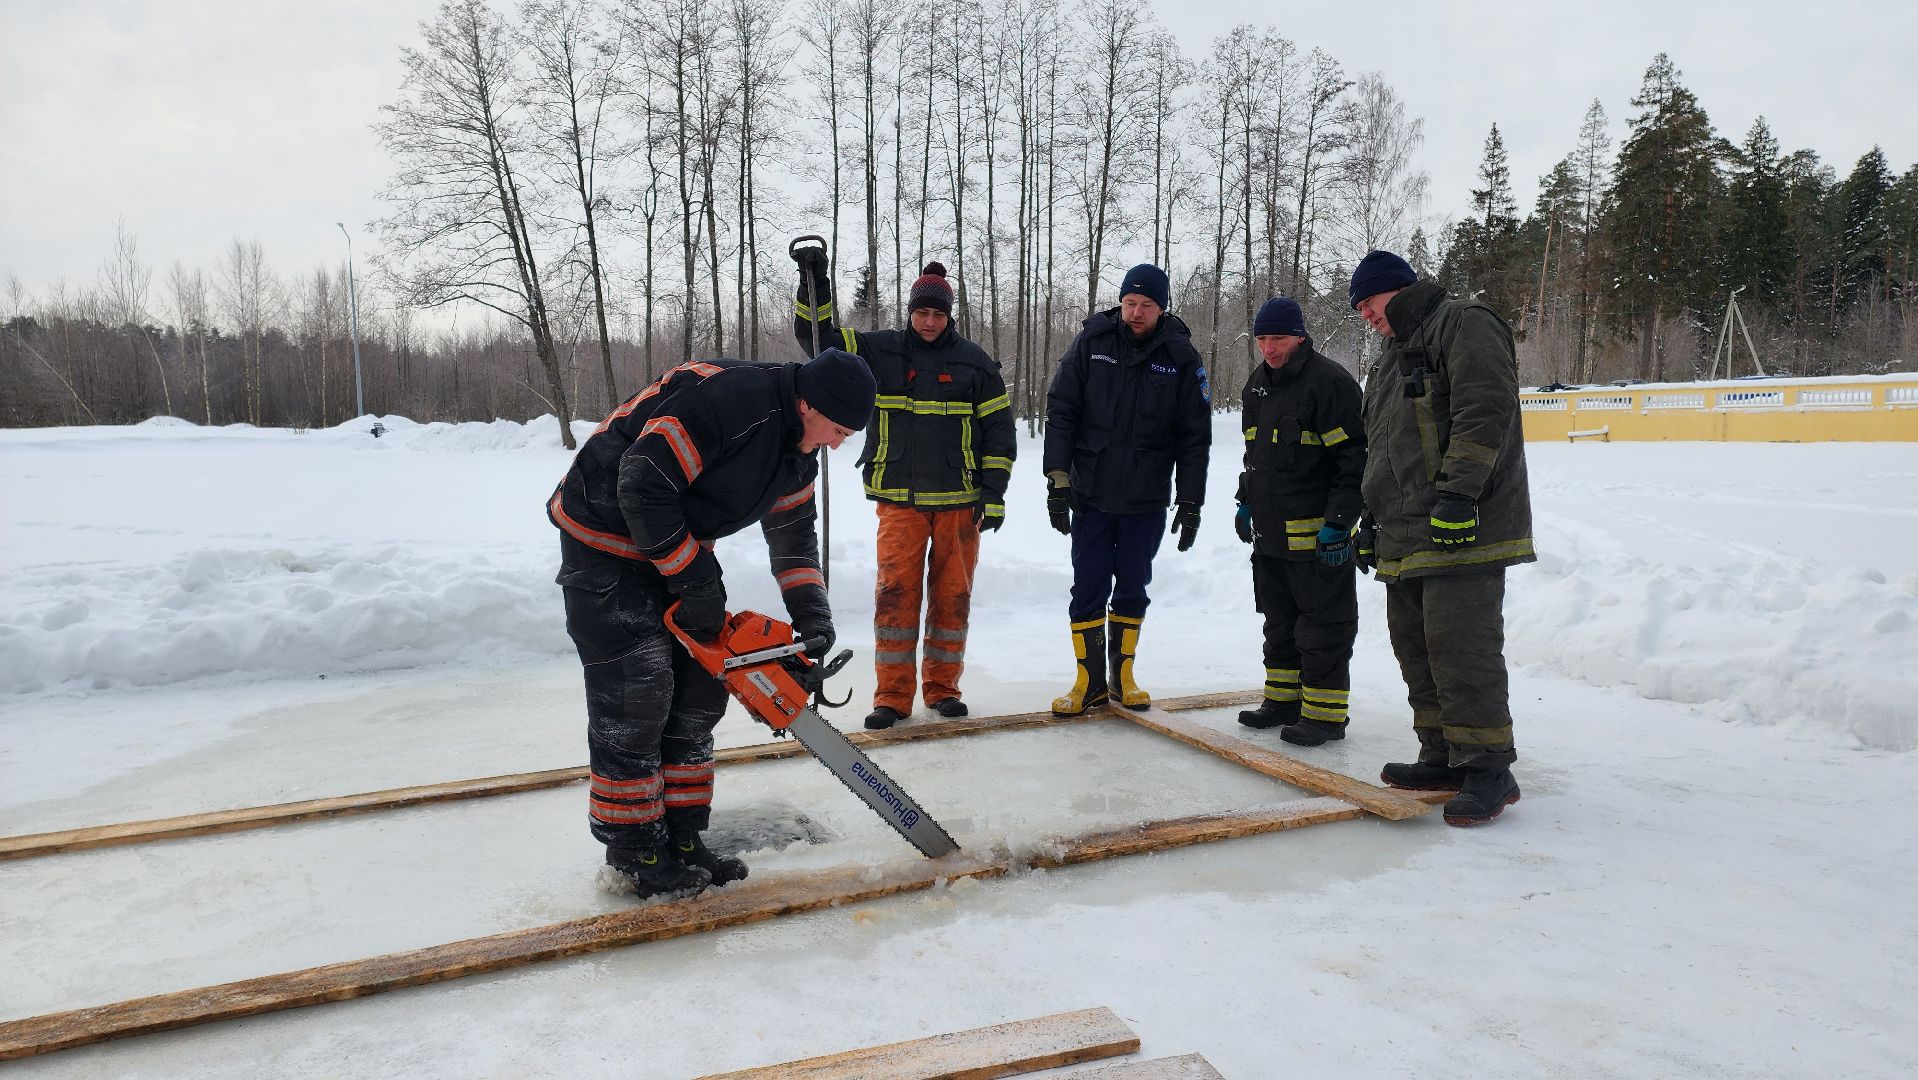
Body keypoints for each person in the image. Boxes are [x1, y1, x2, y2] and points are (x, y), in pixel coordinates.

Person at [547, 351, 876, 895]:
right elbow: (642, 482)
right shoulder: (732, 401)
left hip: (674, 545)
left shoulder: (796, 454)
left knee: (699, 693)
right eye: (838, 431)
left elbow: (794, 538)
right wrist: (695, 580)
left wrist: (811, 611)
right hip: (604, 537)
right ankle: (634, 848)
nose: (837, 445)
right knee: (638, 692)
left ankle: (681, 836)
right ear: (808, 404)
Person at [1348, 249, 1536, 826]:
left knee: (1461, 646)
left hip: (1462, 524)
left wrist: (1459, 495)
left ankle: (1488, 768)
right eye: (1358, 308)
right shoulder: (1390, 356)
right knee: (1416, 646)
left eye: (1369, 302)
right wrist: (1370, 520)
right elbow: (1383, 447)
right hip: (1405, 528)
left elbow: (1485, 409)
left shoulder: (1463, 322)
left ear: (1398, 289)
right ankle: (1442, 754)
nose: (1365, 315)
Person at [792, 248, 1016, 731]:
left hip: (960, 504)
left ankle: (943, 689)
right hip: (899, 501)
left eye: (938, 313)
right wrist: (815, 281)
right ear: (910, 311)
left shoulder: (975, 363)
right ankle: (892, 698)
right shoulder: (879, 351)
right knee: (894, 598)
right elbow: (818, 342)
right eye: (922, 312)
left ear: (949, 316)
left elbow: (1000, 431)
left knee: (952, 599)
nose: (929, 322)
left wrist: (994, 493)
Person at [1043, 262, 1212, 716]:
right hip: (1091, 493)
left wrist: (1191, 500)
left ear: (1162, 309)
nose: (1136, 312)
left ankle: (1123, 677)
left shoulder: (1181, 356)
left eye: (1147, 305)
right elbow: (1062, 410)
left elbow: (1194, 436)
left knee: (1133, 585)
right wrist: (1057, 477)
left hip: (1146, 496)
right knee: (1088, 585)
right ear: (1120, 302)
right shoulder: (1091, 344)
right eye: (1130, 303)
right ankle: (1089, 682)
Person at [1232, 296, 1366, 748]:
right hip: (1270, 537)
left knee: (1322, 627)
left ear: (1300, 336)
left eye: (1278, 338)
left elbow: (1354, 460)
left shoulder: (1330, 383)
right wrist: (1245, 501)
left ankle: (1325, 716)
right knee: (1278, 621)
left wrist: (1340, 522)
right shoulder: (1257, 386)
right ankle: (1283, 702)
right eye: (1262, 339)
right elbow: (1255, 456)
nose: (1269, 348)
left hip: (1318, 540)